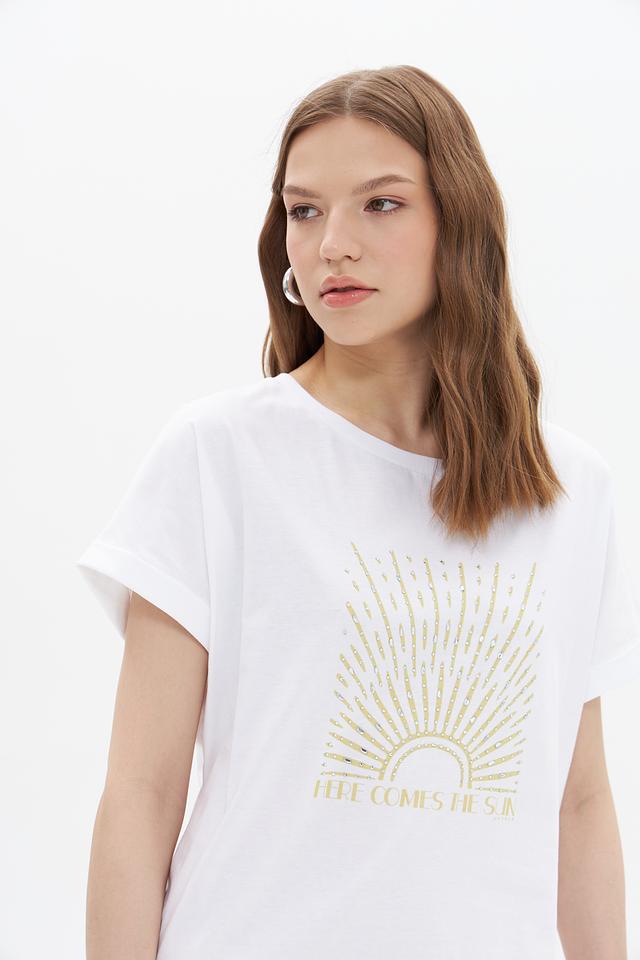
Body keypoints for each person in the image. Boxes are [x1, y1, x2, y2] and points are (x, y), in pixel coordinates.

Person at [75, 65, 640, 959]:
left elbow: (580, 802)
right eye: (304, 211)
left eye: (381, 204)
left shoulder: (568, 489)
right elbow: (141, 794)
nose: (333, 244)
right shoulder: (220, 456)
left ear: (459, 223)